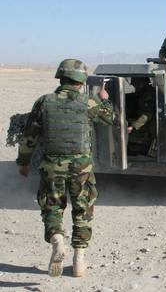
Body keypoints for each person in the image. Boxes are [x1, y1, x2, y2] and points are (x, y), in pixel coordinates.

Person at [16, 59, 114, 277]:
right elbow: (110, 119)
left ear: (60, 77)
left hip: (52, 166)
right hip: (81, 168)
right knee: (82, 210)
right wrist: (104, 99)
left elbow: (29, 137)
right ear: (81, 81)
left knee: (52, 208)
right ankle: (79, 260)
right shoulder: (87, 103)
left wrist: (23, 163)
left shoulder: (44, 102)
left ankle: (57, 240)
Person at [126, 77, 156, 156]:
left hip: (148, 126)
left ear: (142, 83)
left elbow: (146, 115)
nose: (135, 88)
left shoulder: (148, 95)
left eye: (136, 85)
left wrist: (132, 127)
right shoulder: (144, 93)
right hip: (145, 123)